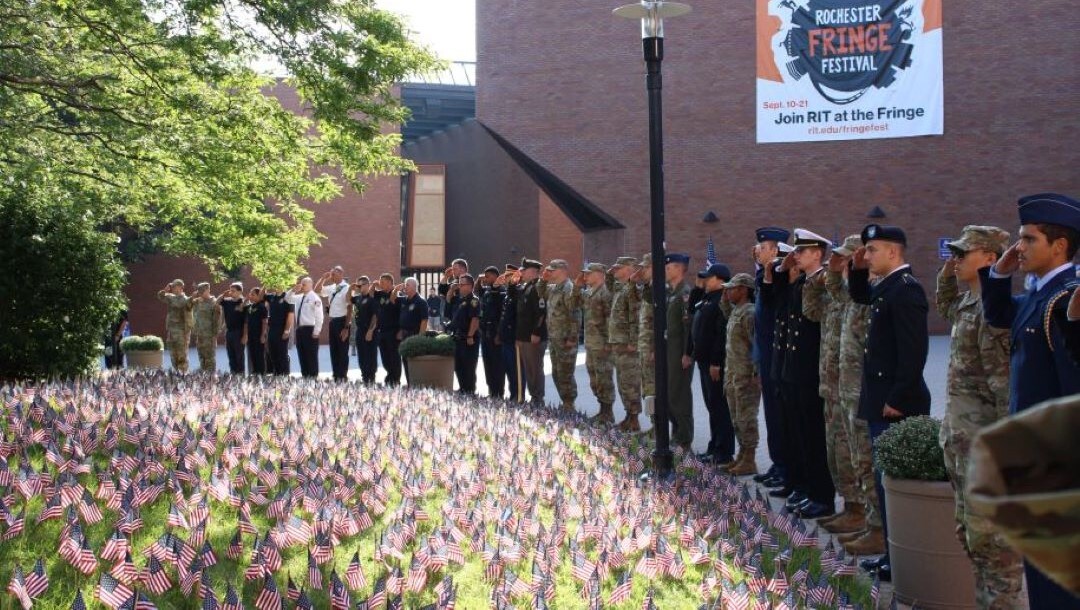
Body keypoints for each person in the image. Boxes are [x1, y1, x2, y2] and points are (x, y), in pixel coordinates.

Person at [980, 193, 1080, 608]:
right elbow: (1000, 315)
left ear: (1059, 246)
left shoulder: (1064, 299)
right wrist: (998, 274)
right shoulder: (1041, 295)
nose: (1018, 247)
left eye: (1028, 239)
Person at [935, 225, 1024, 609]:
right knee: (971, 536)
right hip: (961, 441)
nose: (954, 260)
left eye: (963, 253)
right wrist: (950, 268)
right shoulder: (968, 303)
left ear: (990, 258)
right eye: (953, 253)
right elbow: (944, 301)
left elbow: (1002, 387)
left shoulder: (992, 312)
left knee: (994, 546)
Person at [849, 224, 932, 582]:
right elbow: (860, 297)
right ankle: (890, 555)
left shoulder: (906, 291)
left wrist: (898, 396)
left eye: (872, 250)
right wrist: (855, 269)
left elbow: (914, 352)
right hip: (880, 400)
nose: (867, 256)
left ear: (893, 253)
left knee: (894, 485)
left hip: (896, 404)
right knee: (884, 484)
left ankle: (901, 557)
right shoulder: (886, 289)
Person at [769, 230, 837, 519]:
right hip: (794, 369)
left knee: (813, 436)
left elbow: (812, 317)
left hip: (811, 369)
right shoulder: (802, 282)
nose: (795, 256)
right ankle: (807, 489)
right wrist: (782, 275)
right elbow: (777, 304)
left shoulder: (822, 282)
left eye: (802, 251)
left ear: (818, 254)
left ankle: (821, 494)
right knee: (799, 434)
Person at [827, 236, 884, 554]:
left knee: (865, 460)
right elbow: (832, 294)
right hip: (845, 389)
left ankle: (876, 527)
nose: (844, 266)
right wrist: (836, 272)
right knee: (852, 457)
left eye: (848, 261)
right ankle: (859, 514)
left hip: (863, 390)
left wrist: (855, 272)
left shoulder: (869, 294)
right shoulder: (850, 295)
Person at [803, 238, 857, 528]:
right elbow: (811, 311)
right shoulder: (836, 295)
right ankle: (850, 505)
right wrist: (821, 279)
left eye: (845, 259)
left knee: (851, 452)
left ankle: (859, 511)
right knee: (836, 451)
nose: (838, 264)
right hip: (831, 385)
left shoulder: (857, 295)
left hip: (850, 389)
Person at [754, 231, 793, 489]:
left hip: (777, 354)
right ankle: (778, 463)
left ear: (774, 250)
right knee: (771, 414)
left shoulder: (781, 276)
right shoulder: (765, 274)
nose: (756, 251)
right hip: (767, 353)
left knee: (781, 416)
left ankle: (785, 467)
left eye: (761, 247)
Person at [687, 262, 734, 464]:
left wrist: (716, 362)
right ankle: (714, 446)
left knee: (719, 407)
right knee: (711, 406)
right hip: (704, 361)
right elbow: (691, 310)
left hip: (714, 364)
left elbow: (720, 335)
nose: (706, 280)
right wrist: (698, 288)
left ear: (720, 280)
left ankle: (724, 451)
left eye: (709, 278)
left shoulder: (722, 301)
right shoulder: (708, 299)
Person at [722, 273, 760, 476]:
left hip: (746, 375)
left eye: (732, 288)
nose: (728, 292)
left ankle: (750, 458)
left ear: (744, 289)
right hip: (733, 374)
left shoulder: (750, 313)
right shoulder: (737, 311)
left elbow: (756, 344)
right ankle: (742, 455)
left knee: (747, 418)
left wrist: (756, 372)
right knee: (736, 418)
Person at [577, 263, 616, 423]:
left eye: (588, 273)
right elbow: (574, 303)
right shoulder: (589, 292)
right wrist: (577, 287)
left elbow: (610, 318)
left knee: (604, 378)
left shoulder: (605, 293)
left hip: (602, 344)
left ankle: (608, 412)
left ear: (599, 274)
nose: (585, 276)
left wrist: (608, 342)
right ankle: (602, 409)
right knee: (595, 379)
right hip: (591, 343)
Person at [608, 257, 643, 431]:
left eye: (619, 268)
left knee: (631, 383)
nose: (615, 271)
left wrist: (633, 341)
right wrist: (610, 271)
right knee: (622, 383)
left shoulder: (633, 290)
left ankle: (634, 419)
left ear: (630, 269)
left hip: (628, 345)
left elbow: (635, 317)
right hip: (618, 343)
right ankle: (628, 415)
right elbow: (608, 283)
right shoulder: (620, 287)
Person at [542, 259, 580, 412]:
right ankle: (565, 402)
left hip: (565, 340)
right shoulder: (554, 288)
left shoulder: (569, 288)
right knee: (557, 373)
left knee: (566, 373)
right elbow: (540, 292)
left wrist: (572, 338)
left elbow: (575, 315)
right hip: (554, 338)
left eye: (552, 270)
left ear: (562, 270)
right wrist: (542, 280)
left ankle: (569, 404)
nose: (549, 272)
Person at [666, 253, 695, 451]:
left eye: (669, 268)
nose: (666, 270)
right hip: (669, 351)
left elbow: (688, 328)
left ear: (679, 268)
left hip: (679, 353)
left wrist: (687, 353)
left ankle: (684, 439)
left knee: (680, 396)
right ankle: (676, 433)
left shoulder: (685, 293)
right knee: (670, 395)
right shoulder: (671, 292)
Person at [514, 259, 548, 407]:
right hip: (524, 336)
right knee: (529, 369)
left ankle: (538, 398)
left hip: (533, 337)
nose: (521, 272)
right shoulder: (526, 286)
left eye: (524, 270)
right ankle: (534, 397)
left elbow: (541, 313)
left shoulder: (538, 287)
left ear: (532, 271)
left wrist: (536, 332)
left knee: (535, 369)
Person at [632, 254, 656, 428]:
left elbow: (660, 321)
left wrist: (655, 347)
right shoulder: (648, 288)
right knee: (647, 389)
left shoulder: (660, 289)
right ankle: (655, 427)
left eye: (645, 267)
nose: (642, 271)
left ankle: (658, 429)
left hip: (652, 349)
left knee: (653, 389)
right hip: (645, 348)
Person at [316, 266, 351, 381]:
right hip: (333, 321)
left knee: (342, 350)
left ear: (341, 273)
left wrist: (346, 327)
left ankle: (343, 376)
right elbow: (317, 291)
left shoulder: (347, 288)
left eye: (334, 274)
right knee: (334, 350)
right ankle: (336, 375)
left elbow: (350, 308)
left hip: (342, 321)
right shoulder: (331, 287)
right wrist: (323, 278)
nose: (332, 276)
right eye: (331, 274)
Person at [478, 267, 507, 399]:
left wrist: (499, 334)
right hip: (485, 334)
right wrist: (479, 281)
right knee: (488, 364)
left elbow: (502, 315)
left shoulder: (502, 292)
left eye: (488, 276)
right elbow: (478, 293)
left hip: (496, 335)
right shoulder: (487, 292)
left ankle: (499, 393)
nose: (486, 279)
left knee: (497, 365)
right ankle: (492, 391)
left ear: (496, 276)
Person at [450, 274, 481, 394]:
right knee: (459, 366)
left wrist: (470, 335)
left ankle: (469, 390)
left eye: (462, 284)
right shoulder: (461, 300)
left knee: (469, 366)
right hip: (459, 337)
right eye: (459, 284)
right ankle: (463, 388)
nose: (460, 287)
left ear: (470, 286)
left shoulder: (473, 300)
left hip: (468, 338)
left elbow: (475, 319)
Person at [290, 277, 324, 378]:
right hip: (300, 329)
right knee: (302, 353)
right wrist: (293, 290)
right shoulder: (299, 297)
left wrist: (317, 331)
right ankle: (305, 375)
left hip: (310, 329)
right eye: (302, 283)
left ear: (311, 285)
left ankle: (313, 376)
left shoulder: (315, 298)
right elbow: (288, 298)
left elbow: (319, 316)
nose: (302, 285)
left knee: (311, 355)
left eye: (304, 284)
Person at [157, 279, 193, 373]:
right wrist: (165, 290)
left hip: (181, 331)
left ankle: (184, 374)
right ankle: (177, 372)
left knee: (182, 354)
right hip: (171, 331)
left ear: (181, 288)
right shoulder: (171, 297)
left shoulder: (185, 300)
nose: (173, 288)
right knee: (173, 353)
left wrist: (186, 333)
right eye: (172, 287)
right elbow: (160, 296)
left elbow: (188, 308)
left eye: (175, 287)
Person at [373, 273, 403, 386]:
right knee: (385, 357)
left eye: (383, 282)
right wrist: (373, 286)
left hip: (393, 331)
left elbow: (400, 313)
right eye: (380, 282)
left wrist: (400, 330)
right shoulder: (380, 294)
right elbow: (371, 295)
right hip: (382, 331)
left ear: (390, 282)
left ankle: (395, 380)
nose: (380, 284)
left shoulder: (397, 295)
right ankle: (390, 377)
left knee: (394, 357)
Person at [498, 264, 522, 402]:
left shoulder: (517, 292)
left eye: (509, 276)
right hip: (506, 338)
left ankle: (518, 396)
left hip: (514, 338)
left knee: (516, 370)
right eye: (506, 276)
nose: (506, 279)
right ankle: (513, 394)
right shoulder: (508, 294)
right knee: (509, 369)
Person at [349, 277, 379, 385]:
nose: (359, 287)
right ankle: (364, 377)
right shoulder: (358, 298)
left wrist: (371, 331)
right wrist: (350, 289)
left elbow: (375, 316)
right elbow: (348, 299)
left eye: (361, 285)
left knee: (370, 355)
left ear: (367, 285)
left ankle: (371, 378)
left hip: (370, 330)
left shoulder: (372, 299)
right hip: (360, 330)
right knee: (361, 355)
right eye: (358, 285)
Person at [398, 277, 429, 383]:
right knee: (405, 360)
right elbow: (392, 298)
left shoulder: (421, 301)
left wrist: (420, 338)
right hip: (405, 335)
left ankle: (417, 384)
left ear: (414, 287)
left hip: (414, 335)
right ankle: (409, 384)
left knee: (415, 360)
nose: (404, 287)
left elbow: (424, 321)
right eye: (405, 284)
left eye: (407, 285)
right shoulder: (405, 300)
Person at [191, 282, 222, 373]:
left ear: (208, 290)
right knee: (201, 357)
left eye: (202, 291)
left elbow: (217, 321)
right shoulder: (198, 301)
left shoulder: (214, 303)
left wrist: (214, 336)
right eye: (199, 292)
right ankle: (204, 379)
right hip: (200, 335)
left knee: (209, 359)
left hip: (209, 335)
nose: (199, 293)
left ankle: (211, 378)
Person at [264, 285, 294, 375]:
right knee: (272, 351)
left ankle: (284, 374)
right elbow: (261, 296)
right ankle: (276, 372)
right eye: (275, 283)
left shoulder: (288, 297)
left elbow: (290, 316)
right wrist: (265, 284)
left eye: (279, 283)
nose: (276, 285)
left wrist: (286, 330)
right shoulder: (272, 296)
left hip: (282, 329)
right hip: (272, 328)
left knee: (282, 353)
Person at [220, 283, 247, 375]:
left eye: (233, 291)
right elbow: (217, 302)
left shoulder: (243, 303)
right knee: (230, 354)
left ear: (240, 292)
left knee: (239, 355)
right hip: (229, 332)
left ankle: (241, 374)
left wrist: (245, 335)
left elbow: (246, 322)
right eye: (230, 290)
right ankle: (233, 373)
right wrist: (223, 294)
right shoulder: (227, 301)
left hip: (239, 332)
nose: (231, 292)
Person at [244, 287, 268, 375]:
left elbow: (264, 322)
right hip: (251, 335)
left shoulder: (262, 307)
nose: (250, 295)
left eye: (253, 294)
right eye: (250, 294)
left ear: (259, 296)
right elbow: (240, 309)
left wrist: (263, 335)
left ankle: (261, 374)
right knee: (252, 354)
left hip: (259, 335)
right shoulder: (250, 306)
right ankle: (255, 372)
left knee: (259, 355)